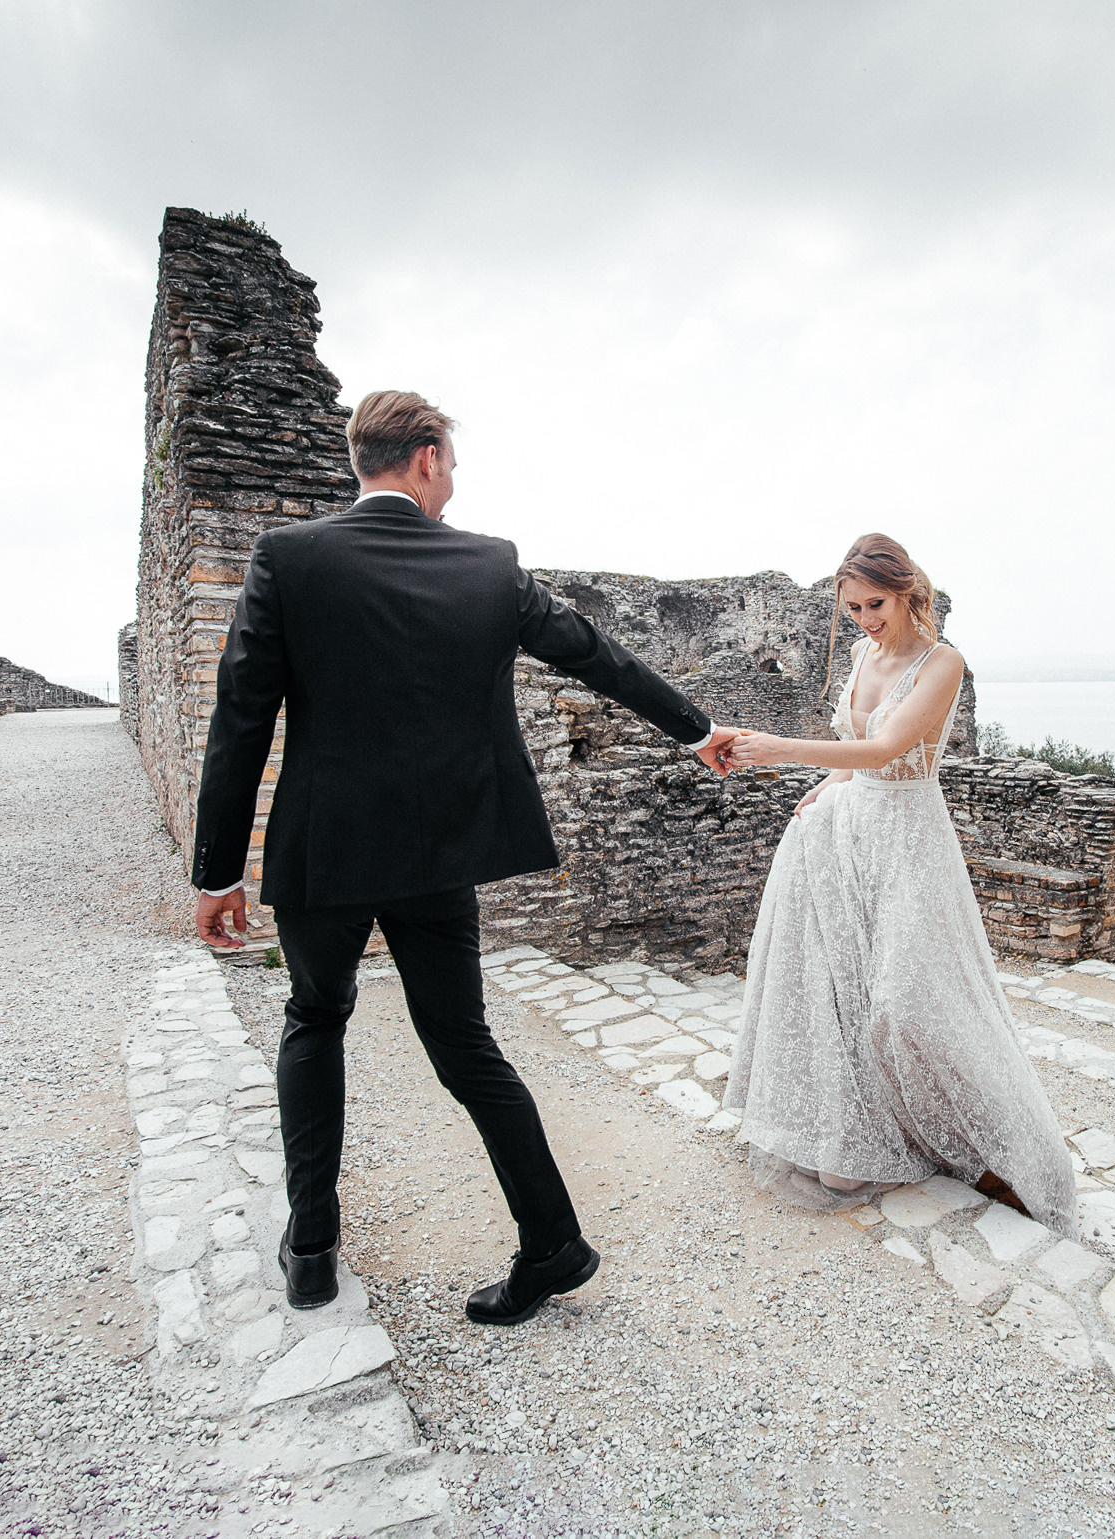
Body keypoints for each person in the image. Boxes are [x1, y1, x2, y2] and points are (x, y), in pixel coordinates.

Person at [189, 390, 739, 1324]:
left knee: (314, 1020)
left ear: (366, 459)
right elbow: (596, 657)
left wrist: (217, 869)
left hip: (324, 849)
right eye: (452, 464)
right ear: (429, 458)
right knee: (465, 1047)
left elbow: (242, 712)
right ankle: (552, 1243)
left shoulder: (288, 558)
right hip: (436, 855)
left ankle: (311, 1248)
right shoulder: (490, 567)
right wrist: (696, 729)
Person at [719, 534, 1078, 1235]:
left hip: (909, 840)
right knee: (844, 993)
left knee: (907, 1000)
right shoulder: (858, 654)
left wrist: (783, 750)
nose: (863, 619)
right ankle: (868, 1132)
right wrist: (822, 786)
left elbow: (888, 750)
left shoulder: (942, 663)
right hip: (844, 835)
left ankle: (1001, 1153)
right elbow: (856, 757)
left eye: (874, 603)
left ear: (909, 590)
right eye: (851, 607)